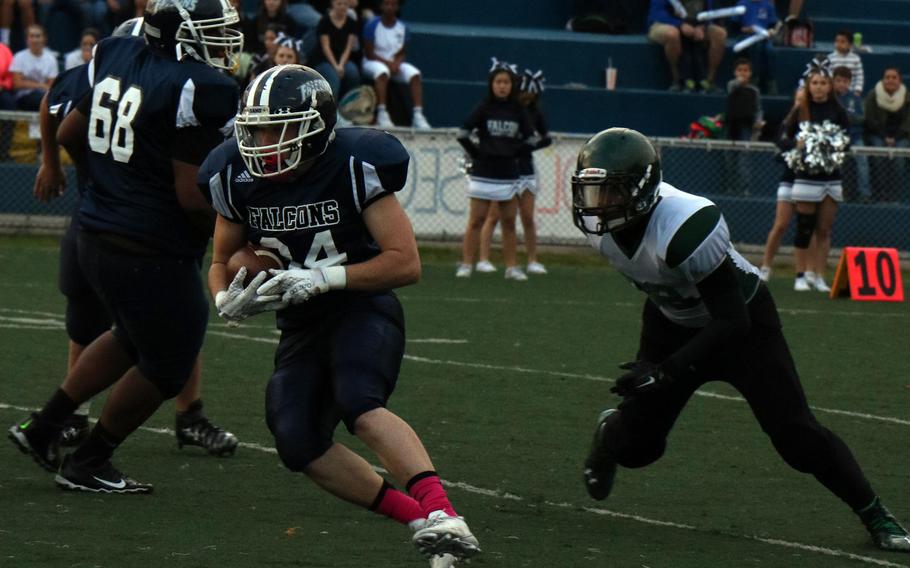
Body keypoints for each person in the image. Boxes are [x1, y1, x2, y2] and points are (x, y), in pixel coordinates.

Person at [575, 126, 910, 554]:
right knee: (638, 448)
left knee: (796, 435)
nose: (598, 205)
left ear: (641, 190)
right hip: (671, 321)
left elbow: (732, 321)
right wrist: (659, 361)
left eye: (611, 193)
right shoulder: (598, 227)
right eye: (593, 192)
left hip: (742, 321)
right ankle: (611, 431)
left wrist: (668, 371)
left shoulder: (685, 224)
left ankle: (875, 512)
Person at [199, 64, 480, 567]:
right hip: (301, 323)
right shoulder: (231, 174)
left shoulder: (354, 164)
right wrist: (225, 298)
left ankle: (444, 515)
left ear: (314, 128)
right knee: (295, 439)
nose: (261, 141)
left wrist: (325, 278)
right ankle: (418, 520)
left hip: (360, 306)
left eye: (275, 129)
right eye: (255, 128)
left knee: (360, 401)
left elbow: (405, 262)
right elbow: (223, 260)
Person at [8, 0, 243, 493]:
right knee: (170, 360)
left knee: (131, 338)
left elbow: (70, 127)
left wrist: (110, 190)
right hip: (148, 245)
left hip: (94, 228)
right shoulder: (202, 86)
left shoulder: (115, 50)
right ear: (184, 37)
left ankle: (44, 427)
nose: (226, 43)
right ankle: (90, 459)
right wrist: (243, 219)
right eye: (214, 33)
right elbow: (189, 195)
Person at [455, 60, 536, 280]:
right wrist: (478, 153)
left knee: (509, 222)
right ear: (492, 84)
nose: (502, 86)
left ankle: (511, 267)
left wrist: (514, 152)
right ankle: (466, 264)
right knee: (476, 221)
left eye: (506, 82)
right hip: (483, 172)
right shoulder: (484, 107)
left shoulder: (518, 110)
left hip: (508, 173)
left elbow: (531, 138)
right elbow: (463, 133)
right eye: (498, 82)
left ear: (512, 85)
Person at [776, 59, 847, 292]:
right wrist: (796, 145)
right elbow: (782, 137)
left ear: (829, 86)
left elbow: (847, 141)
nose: (818, 87)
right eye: (814, 82)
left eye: (823, 83)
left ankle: (819, 275)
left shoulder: (838, 111)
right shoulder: (801, 110)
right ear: (809, 85)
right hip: (805, 176)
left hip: (831, 177)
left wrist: (835, 148)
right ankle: (800, 274)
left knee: (825, 229)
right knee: (804, 227)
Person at [477, 68, 551, 276]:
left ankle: (532, 260)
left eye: (532, 93)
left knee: (527, 216)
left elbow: (546, 138)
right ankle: (483, 258)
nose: (528, 96)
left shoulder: (534, 113)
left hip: (525, 168)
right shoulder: (508, 110)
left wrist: (526, 147)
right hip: (503, 167)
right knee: (494, 215)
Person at [362, 0, 430, 129]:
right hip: (372, 63)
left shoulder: (402, 27)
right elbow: (369, 53)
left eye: (393, 4)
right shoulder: (372, 25)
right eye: (386, 4)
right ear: (381, 6)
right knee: (382, 72)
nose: (389, 7)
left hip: (394, 64)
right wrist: (389, 64)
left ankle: (418, 115)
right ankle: (382, 113)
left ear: (398, 7)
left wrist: (397, 63)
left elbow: (402, 52)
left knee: (415, 74)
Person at [646, 0, 727, 92]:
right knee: (672, 34)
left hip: (696, 25)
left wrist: (703, 26)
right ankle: (677, 80)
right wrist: (679, 24)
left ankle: (709, 81)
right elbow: (657, 13)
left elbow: (709, 12)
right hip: (663, 23)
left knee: (720, 34)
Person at [863, 66, 910, 203]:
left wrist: (895, 138)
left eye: (894, 77)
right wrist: (885, 137)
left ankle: (894, 196)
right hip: (878, 135)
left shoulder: (907, 96)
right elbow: (870, 120)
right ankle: (881, 194)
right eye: (887, 77)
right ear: (883, 80)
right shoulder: (873, 95)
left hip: (901, 136)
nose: (890, 80)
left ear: (899, 80)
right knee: (879, 156)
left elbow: (908, 122)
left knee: (899, 158)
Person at [832, 66, 870, 202]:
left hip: (855, 137)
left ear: (849, 83)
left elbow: (861, 118)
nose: (841, 84)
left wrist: (845, 117)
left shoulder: (855, 98)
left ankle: (864, 194)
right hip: (835, 137)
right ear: (833, 81)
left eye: (845, 81)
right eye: (838, 80)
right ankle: (838, 193)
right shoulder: (829, 98)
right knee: (837, 162)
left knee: (863, 161)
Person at [311, 0, 360, 101]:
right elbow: (326, 47)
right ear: (333, 4)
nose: (342, 7)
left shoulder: (351, 23)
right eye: (339, 4)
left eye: (345, 4)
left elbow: (348, 48)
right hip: (324, 60)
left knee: (353, 73)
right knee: (333, 77)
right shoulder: (324, 21)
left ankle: (350, 106)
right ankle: (332, 110)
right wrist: (336, 67)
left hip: (342, 59)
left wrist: (341, 65)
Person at [9, 24, 57, 111]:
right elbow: (17, 84)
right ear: (27, 39)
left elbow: (51, 86)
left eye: (38, 36)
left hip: (44, 96)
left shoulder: (51, 59)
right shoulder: (19, 57)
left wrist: (27, 82)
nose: (34, 40)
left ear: (44, 39)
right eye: (31, 36)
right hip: (24, 96)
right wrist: (41, 85)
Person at [734, 0, 779, 93]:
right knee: (756, 46)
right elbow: (734, 26)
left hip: (763, 37)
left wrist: (772, 31)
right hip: (746, 37)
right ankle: (754, 79)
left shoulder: (768, 5)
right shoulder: (741, 4)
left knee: (771, 51)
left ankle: (770, 80)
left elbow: (773, 25)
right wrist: (746, 29)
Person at [827, 30, 863, 97]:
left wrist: (857, 91)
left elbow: (859, 77)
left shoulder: (856, 59)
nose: (839, 44)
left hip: (851, 92)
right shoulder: (830, 58)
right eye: (837, 41)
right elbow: (828, 76)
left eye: (842, 42)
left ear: (850, 45)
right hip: (833, 93)